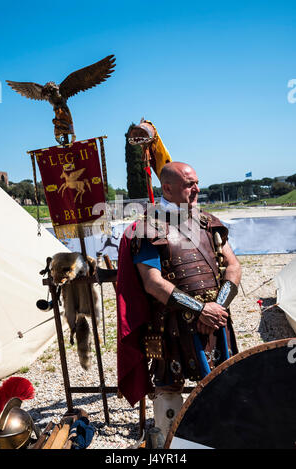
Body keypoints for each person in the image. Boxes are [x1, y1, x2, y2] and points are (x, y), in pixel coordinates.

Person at [116, 162, 242, 443]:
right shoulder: (147, 229)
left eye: (197, 182)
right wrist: (200, 309)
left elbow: (233, 266)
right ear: (168, 188)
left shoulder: (208, 222)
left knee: (224, 386)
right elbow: (152, 282)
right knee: (169, 400)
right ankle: (169, 448)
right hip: (171, 327)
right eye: (189, 184)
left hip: (216, 320)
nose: (196, 189)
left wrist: (217, 307)